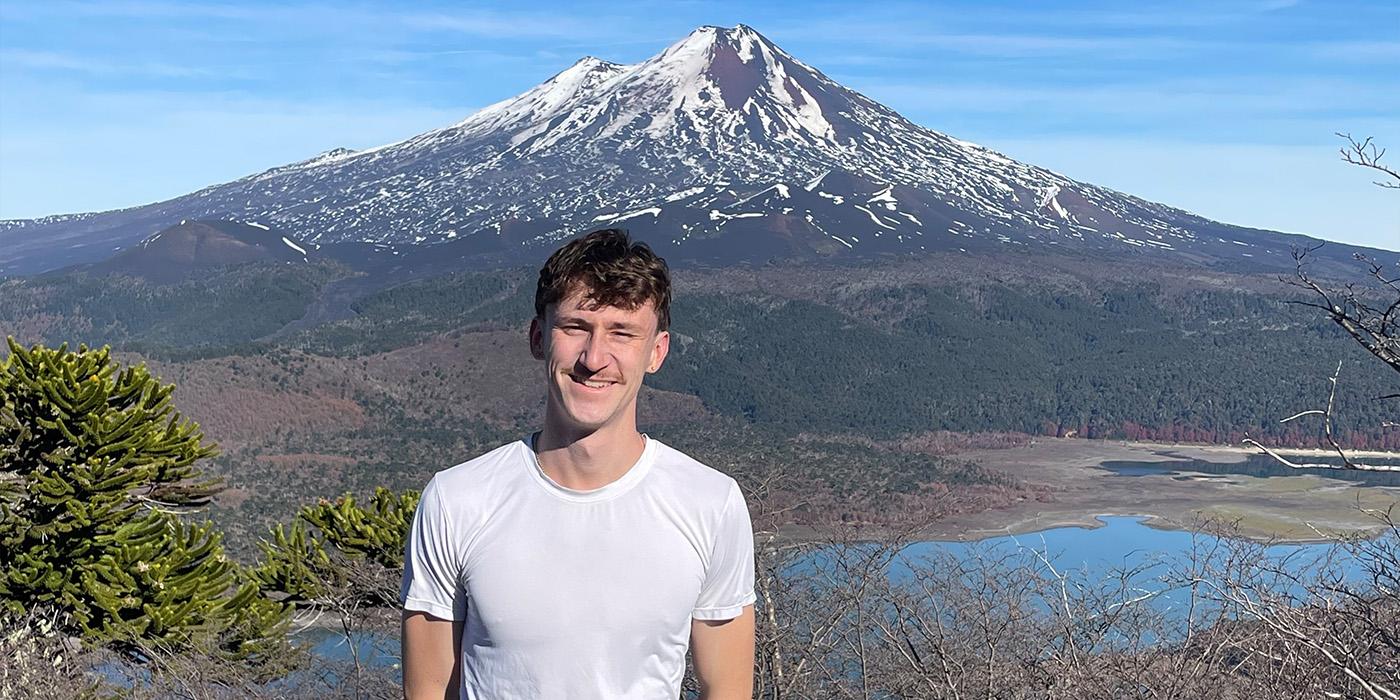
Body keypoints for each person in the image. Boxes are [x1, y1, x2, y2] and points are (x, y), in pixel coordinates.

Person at [400, 228, 756, 699]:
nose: (594, 358)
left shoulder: (710, 504)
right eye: (576, 329)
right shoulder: (457, 501)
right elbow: (428, 691)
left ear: (657, 352)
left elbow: (727, 689)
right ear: (538, 337)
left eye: (622, 333)